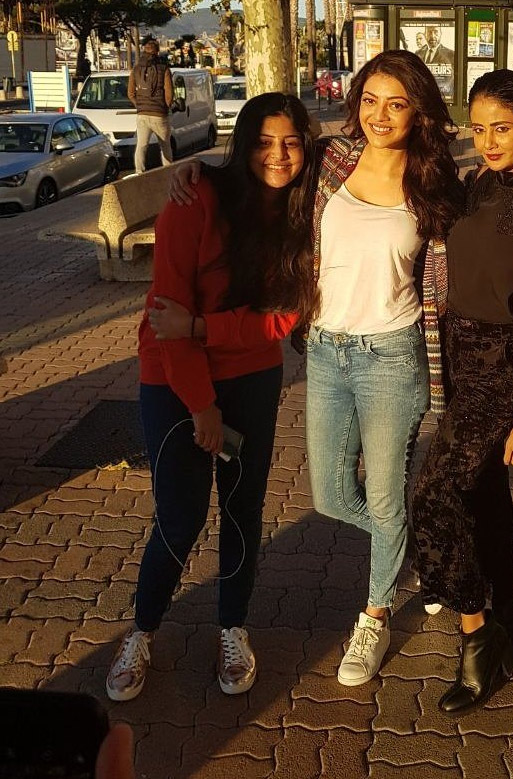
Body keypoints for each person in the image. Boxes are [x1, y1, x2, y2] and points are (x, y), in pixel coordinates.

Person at [169, 49, 464, 688]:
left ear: (418, 112)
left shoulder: (435, 185)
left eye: (397, 104)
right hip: (327, 352)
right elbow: (266, 173)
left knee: (384, 495)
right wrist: (199, 172)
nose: (380, 115)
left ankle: (375, 616)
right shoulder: (332, 160)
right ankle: (413, 547)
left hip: (392, 355)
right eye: (370, 100)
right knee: (330, 494)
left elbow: (469, 262)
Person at [104, 93, 317, 702]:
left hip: (252, 377)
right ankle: (142, 630)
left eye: (291, 143)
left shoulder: (305, 214)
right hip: (173, 378)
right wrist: (201, 405)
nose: (278, 156)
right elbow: (166, 316)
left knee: (242, 510)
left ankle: (232, 628)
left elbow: (284, 318)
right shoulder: (195, 199)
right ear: (242, 143)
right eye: (263, 142)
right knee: (180, 515)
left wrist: (205, 328)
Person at [409, 69, 513, 714]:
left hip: (505, 362)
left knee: (435, 494)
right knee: (483, 496)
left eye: (502, 128)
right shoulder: (477, 182)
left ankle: (477, 636)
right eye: (478, 129)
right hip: (459, 352)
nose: (489, 142)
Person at [128, 37, 174, 175]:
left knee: (141, 146)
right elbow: (169, 93)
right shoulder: (164, 69)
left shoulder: (136, 69)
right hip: (159, 114)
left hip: (142, 114)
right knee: (165, 145)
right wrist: (166, 106)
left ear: (144, 51)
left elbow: (130, 93)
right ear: (157, 52)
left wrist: (140, 105)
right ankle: (168, 172)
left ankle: (139, 172)